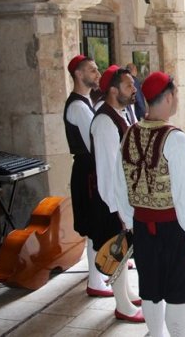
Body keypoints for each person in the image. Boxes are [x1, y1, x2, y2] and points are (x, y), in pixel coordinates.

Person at [113, 71, 185, 337]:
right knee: (177, 290)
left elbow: (119, 183)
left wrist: (131, 220)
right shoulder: (174, 138)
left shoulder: (129, 134)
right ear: (168, 98)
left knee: (150, 288)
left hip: (143, 226)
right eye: (176, 94)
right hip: (174, 228)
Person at [90, 65, 143, 322]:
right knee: (116, 251)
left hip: (120, 198)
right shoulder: (104, 121)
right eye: (128, 85)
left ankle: (126, 293)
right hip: (110, 200)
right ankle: (122, 305)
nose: (134, 89)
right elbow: (107, 169)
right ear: (113, 90)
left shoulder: (118, 114)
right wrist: (118, 208)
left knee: (124, 249)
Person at [63, 54, 111, 297]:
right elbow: (94, 143)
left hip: (89, 169)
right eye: (92, 70)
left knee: (98, 222)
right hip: (88, 172)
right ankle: (95, 281)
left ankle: (101, 271)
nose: (97, 74)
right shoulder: (78, 107)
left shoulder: (85, 102)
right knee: (94, 224)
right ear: (79, 74)